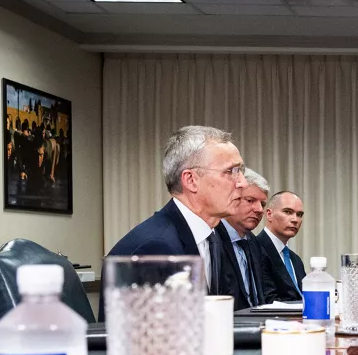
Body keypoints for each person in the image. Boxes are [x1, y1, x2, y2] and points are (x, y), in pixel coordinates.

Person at [103, 126, 248, 317]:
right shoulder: (153, 249)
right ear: (191, 180)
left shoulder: (217, 234)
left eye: (240, 171)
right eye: (231, 171)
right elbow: (153, 331)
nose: (243, 183)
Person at [217, 169, 282, 308]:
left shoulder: (255, 243)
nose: (259, 210)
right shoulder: (212, 238)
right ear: (232, 198)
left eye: (262, 204)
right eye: (250, 200)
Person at [254, 190, 306, 301]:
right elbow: (269, 301)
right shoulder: (255, 249)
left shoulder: (296, 260)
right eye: (288, 212)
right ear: (269, 214)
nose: (295, 220)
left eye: (299, 215)